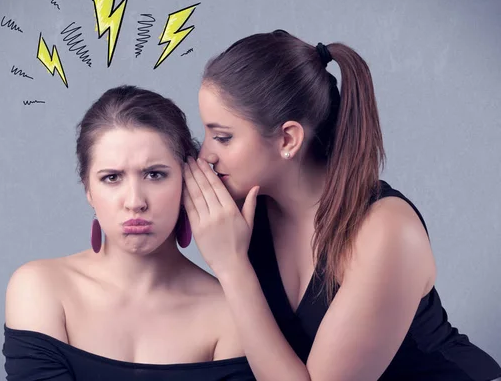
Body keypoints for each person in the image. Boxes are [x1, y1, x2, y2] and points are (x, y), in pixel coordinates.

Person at [183, 30, 501, 381]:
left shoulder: (387, 231)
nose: (206, 155)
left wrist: (231, 266)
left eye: (223, 137)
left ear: (288, 139)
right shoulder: (247, 210)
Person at [3, 85, 255, 380]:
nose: (135, 201)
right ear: (88, 190)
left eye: (154, 174)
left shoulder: (230, 311)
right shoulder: (40, 289)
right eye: (112, 178)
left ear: (189, 180)